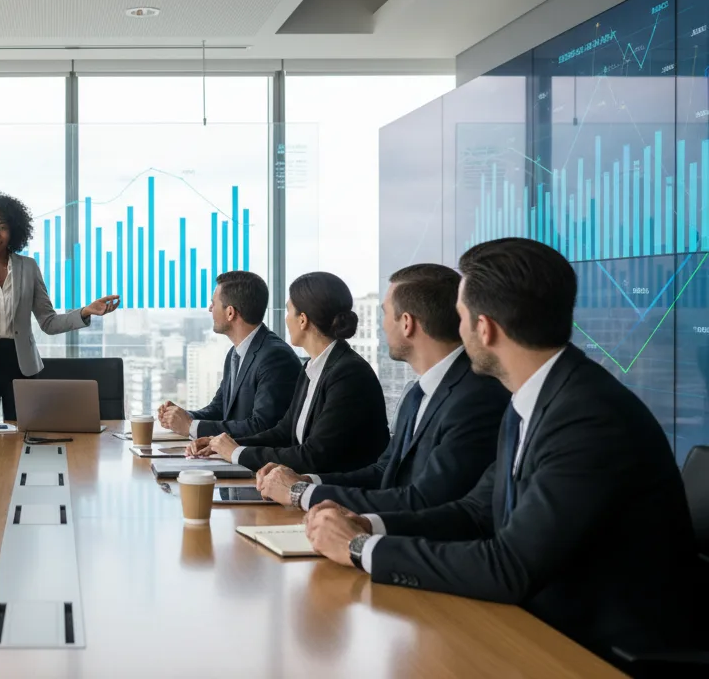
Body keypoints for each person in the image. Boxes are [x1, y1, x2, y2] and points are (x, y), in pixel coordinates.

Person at [305, 238, 699, 663]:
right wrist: (368, 525)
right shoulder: (533, 398)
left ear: (485, 328)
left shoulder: (588, 418)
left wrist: (359, 549)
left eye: (459, 318)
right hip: (543, 625)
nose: (455, 332)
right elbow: (474, 511)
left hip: (600, 651)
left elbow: (511, 566)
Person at [256, 264, 508, 512]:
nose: (383, 325)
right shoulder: (417, 393)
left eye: (385, 313)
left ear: (406, 323)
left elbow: (424, 500)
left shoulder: (475, 398)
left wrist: (301, 494)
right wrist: (308, 483)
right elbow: (384, 472)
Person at [187, 271, 387, 473]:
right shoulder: (313, 367)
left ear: (302, 320)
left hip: (335, 495)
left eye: (288, 311)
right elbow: (284, 432)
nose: (285, 319)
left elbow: (313, 455)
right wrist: (221, 444)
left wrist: (237, 452)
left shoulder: (348, 374)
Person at [0, 193, 120, 421]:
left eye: (2, 227)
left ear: (13, 231)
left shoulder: (28, 267)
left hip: (21, 365)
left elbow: (48, 322)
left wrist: (85, 312)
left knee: (23, 438)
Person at [157, 271, 301, 438]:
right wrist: (182, 417)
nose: (210, 308)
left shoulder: (274, 357)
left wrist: (190, 426)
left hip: (257, 462)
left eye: (213, 303)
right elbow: (219, 410)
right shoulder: (236, 352)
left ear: (230, 312)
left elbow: (262, 427)